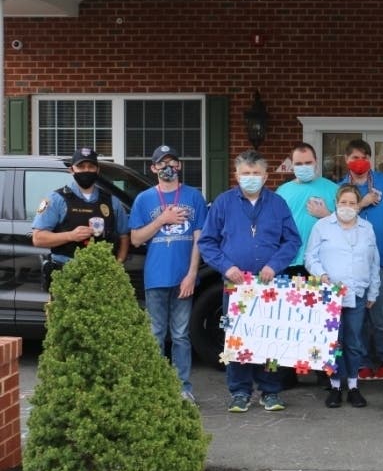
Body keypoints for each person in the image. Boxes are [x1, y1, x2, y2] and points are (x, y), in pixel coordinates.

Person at [198, 150, 301, 413]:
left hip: (270, 286)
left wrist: (274, 265)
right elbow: (207, 242)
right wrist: (227, 267)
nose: (251, 177)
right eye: (246, 173)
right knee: (236, 338)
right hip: (236, 286)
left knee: (271, 338)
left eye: (256, 173)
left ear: (265, 176)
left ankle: (271, 391)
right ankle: (240, 392)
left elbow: (292, 240)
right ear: (237, 175)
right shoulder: (223, 203)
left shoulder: (277, 204)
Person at [129, 145, 208, 404]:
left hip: (184, 277)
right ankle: (154, 387)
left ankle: (182, 387)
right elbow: (136, 238)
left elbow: (199, 238)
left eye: (172, 162)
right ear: (153, 168)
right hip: (156, 277)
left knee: (181, 335)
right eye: (162, 163)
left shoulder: (194, 197)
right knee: (155, 333)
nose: (168, 167)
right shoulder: (144, 199)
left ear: (180, 165)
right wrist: (162, 219)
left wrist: (192, 273)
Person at [305, 185, 379, 408]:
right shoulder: (322, 226)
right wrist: (322, 275)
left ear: (358, 206)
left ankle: (354, 386)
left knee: (354, 341)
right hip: (331, 294)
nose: (347, 206)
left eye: (352, 203)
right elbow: (310, 257)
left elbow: (373, 261)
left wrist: (373, 290)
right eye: (343, 202)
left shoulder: (367, 228)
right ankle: (335, 386)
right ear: (336, 203)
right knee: (333, 342)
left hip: (357, 292)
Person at [340, 139, 383, 381]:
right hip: (350, 262)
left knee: (379, 314)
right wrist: (362, 203)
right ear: (346, 160)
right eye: (354, 157)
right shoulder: (341, 188)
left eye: (363, 157)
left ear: (369, 159)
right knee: (356, 316)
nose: (359, 161)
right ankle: (362, 361)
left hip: (381, 259)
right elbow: (335, 217)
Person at [32, 147, 130, 270]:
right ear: (71, 170)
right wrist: (70, 236)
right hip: (66, 271)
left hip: (102, 272)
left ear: (97, 170)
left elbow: (124, 236)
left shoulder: (112, 201)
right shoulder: (56, 199)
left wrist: (117, 265)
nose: (86, 170)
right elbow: (38, 238)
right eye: (81, 167)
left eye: (91, 167)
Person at [275, 142, 338, 278]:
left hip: (323, 262)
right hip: (290, 261)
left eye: (308, 162)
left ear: (316, 162)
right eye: (298, 164)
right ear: (292, 165)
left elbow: (347, 226)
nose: (304, 167)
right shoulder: (282, 191)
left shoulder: (334, 189)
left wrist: (327, 215)